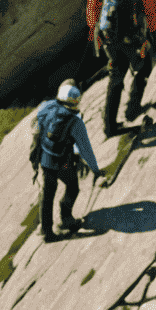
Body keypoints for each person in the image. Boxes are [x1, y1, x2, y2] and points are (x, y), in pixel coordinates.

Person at [86, 0, 156, 137]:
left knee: (115, 76)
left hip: (109, 37)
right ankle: (132, 108)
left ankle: (109, 126)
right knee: (144, 66)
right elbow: (151, 11)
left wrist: (96, 35)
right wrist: (151, 33)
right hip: (133, 39)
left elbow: (93, 6)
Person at [32, 81, 100, 242]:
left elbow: (35, 128)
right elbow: (85, 149)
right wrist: (95, 169)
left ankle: (46, 230)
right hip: (62, 161)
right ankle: (66, 218)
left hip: (45, 157)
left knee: (48, 194)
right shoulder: (74, 121)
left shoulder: (45, 107)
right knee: (72, 187)